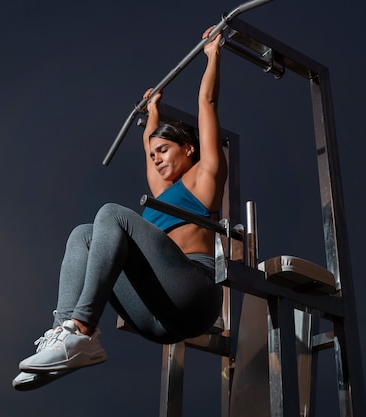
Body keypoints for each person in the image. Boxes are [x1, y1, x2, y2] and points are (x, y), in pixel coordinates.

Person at [13, 26, 227, 390]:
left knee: (111, 214)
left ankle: (82, 329)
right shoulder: (162, 191)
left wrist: (213, 55)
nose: (156, 159)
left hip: (194, 294)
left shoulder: (206, 176)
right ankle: (65, 332)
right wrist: (153, 109)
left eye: (165, 151)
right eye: (152, 154)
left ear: (188, 149)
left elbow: (206, 105)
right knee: (83, 235)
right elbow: (148, 138)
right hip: (158, 319)